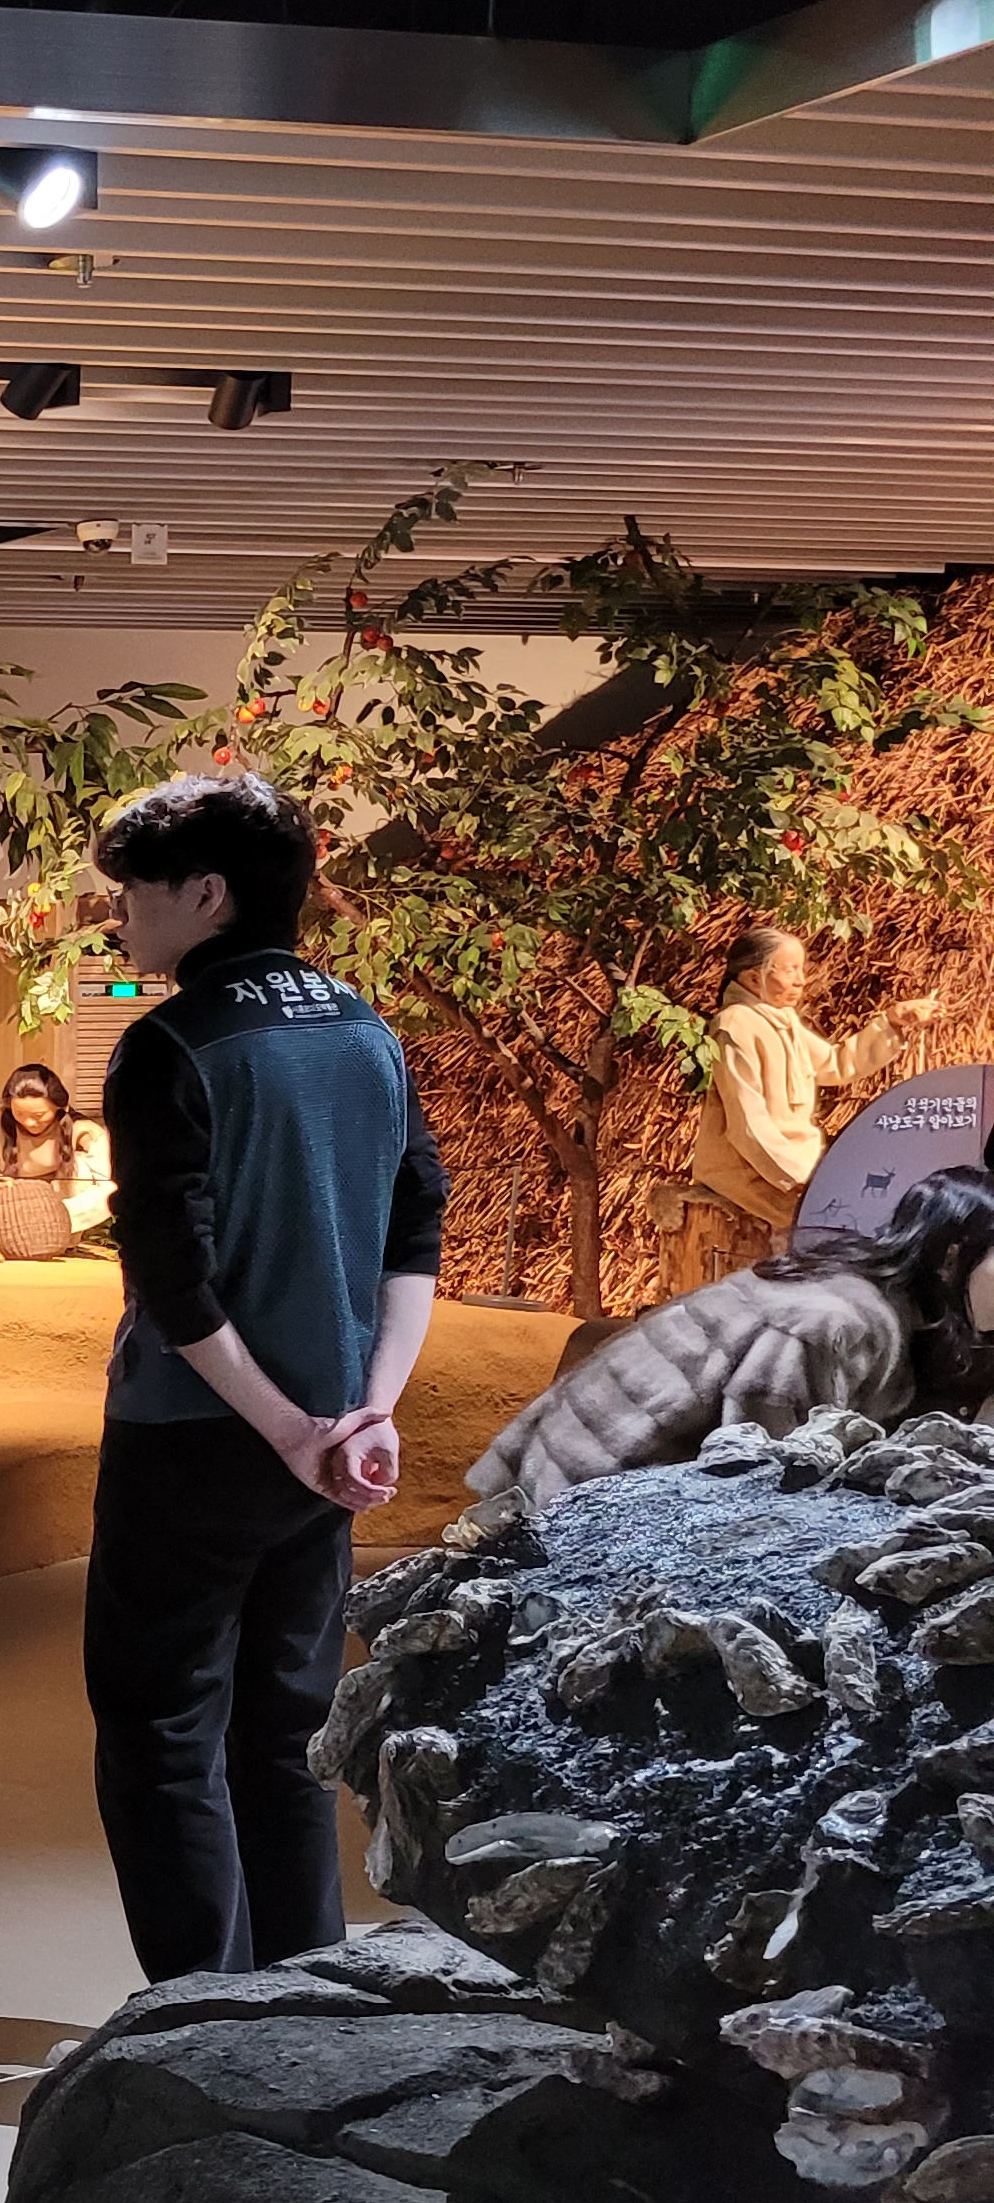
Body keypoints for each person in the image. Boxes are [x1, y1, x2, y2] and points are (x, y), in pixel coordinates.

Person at [82, 773, 449, 1987]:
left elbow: (175, 1281)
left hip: (195, 1437)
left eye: (135, 894)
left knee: (160, 1730)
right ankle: (302, 2003)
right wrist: (366, 1411)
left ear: (207, 895)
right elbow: (415, 1231)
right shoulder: (368, 1033)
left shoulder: (170, 1045)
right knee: (286, 1732)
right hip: (334, 1446)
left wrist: (286, 1427)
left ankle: (201, 2014)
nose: (121, 919)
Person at [472, 1164, 994, 1507]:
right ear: (951, 1256)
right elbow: (761, 1471)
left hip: (585, 1483)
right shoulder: (835, 1320)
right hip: (583, 1500)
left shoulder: (865, 1299)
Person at [674, 927, 938, 1292]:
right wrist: (803, 1179)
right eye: (790, 970)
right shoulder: (735, 1026)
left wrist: (891, 1022)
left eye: (801, 969)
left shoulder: (781, 1022)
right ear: (754, 978)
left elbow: (835, 1063)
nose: (801, 979)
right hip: (749, 1170)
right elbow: (749, 1126)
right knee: (831, 1227)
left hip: (795, 1163)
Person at [0, 1063, 117, 1259]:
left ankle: (51, 1236)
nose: (29, 1122)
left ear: (60, 1107)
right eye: (19, 1114)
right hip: (6, 1205)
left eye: (38, 1116)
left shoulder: (84, 1131)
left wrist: (55, 1216)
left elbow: (109, 1187)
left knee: (86, 1174)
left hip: (55, 1208)